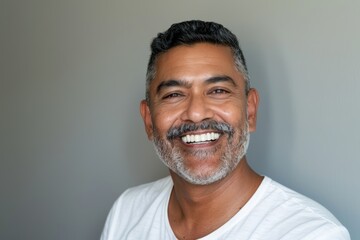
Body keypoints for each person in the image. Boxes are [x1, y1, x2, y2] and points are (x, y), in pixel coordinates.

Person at [100, 20, 350, 240]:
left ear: (250, 111)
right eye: (174, 94)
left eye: (218, 91)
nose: (196, 113)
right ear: (148, 120)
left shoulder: (312, 234)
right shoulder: (127, 211)